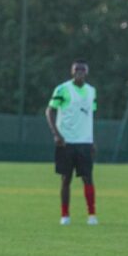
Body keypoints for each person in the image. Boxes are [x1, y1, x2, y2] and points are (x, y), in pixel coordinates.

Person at [45, 59, 98, 225]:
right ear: (72, 72)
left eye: (82, 70)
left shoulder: (92, 91)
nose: (79, 73)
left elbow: (89, 116)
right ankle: (65, 215)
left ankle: (92, 215)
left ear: (86, 73)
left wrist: (92, 140)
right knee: (65, 179)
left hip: (85, 142)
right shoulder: (62, 89)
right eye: (76, 70)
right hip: (66, 142)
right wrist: (56, 134)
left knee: (88, 178)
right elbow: (49, 111)